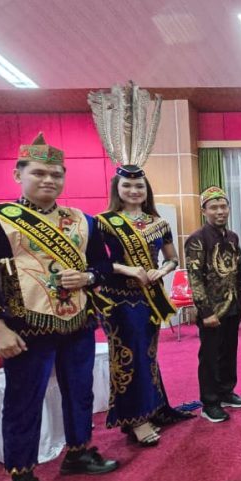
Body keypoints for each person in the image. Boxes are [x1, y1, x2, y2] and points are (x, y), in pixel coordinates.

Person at [0, 133, 118, 481]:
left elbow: (103, 265)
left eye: (56, 174)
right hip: (25, 325)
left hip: (77, 321)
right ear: (18, 174)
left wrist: (88, 277)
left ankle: (79, 452)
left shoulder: (83, 221)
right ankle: (22, 473)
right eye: (39, 173)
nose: (49, 180)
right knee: (24, 400)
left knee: (80, 392)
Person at [96, 165, 189, 447]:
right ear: (117, 189)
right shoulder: (103, 222)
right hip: (118, 299)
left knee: (147, 355)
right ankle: (136, 419)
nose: (134, 191)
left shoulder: (158, 223)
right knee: (128, 356)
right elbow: (96, 262)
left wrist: (163, 270)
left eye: (139, 186)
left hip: (150, 299)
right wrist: (127, 269)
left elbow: (172, 258)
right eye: (127, 186)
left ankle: (153, 407)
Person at [185, 186, 241, 423]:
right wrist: (205, 311)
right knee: (210, 357)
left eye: (223, 206)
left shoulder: (232, 237)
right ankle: (209, 403)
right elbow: (195, 278)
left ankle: (226, 392)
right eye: (214, 207)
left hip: (232, 306)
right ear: (204, 211)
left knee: (229, 352)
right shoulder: (197, 239)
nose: (220, 211)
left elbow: (238, 270)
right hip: (211, 310)